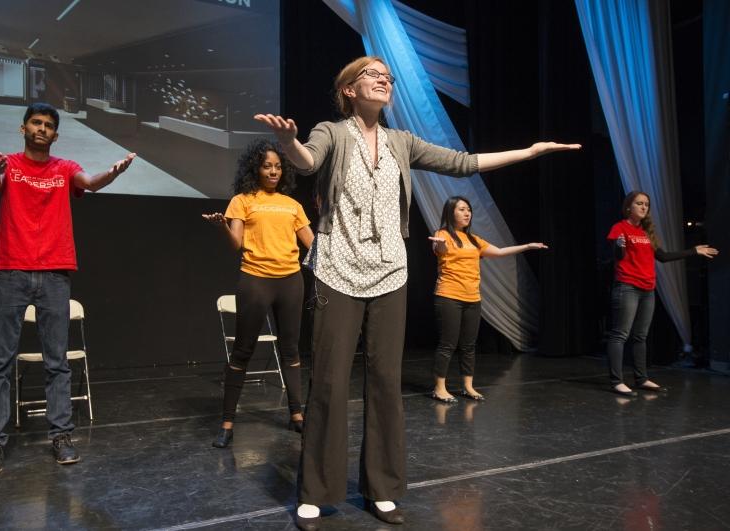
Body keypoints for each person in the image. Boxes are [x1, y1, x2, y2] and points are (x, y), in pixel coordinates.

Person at [255, 55, 580, 530]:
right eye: (373, 74)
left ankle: (382, 488)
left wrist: (528, 152)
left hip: (390, 272)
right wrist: (288, 143)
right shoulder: (331, 130)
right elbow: (308, 160)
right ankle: (316, 490)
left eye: (389, 76)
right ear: (349, 89)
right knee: (328, 382)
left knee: (386, 380)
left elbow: (464, 163)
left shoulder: (402, 142)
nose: (384, 79)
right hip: (338, 270)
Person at [0, 102, 135, 475]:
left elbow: (90, 183)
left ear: (56, 134)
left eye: (48, 125)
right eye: (36, 122)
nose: (42, 128)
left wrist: (112, 174)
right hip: (10, 271)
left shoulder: (64, 168)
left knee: (56, 362)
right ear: (24, 128)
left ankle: (61, 436)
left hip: (55, 274)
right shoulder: (10, 165)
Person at [203, 139, 314, 449]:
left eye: (278, 166)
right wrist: (223, 226)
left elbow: (312, 245)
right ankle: (227, 423)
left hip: (291, 281)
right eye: (267, 166)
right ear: (256, 168)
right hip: (255, 280)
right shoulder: (242, 200)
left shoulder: (292, 205)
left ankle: (297, 415)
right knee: (242, 351)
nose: (273, 171)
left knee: (290, 351)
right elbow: (235, 244)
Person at [429, 196, 548, 403]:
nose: (467, 213)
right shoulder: (443, 235)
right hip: (448, 295)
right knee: (448, 344)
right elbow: (440, 249)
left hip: (473, 298)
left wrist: (527, 246)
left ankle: (468, 386)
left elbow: (500, 252)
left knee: (468, 345)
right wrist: (439, 246)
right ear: (451, 213)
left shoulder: (474, 240)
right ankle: (439, 388)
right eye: (462, 209)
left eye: (469, 210)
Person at [606, 191, 718, 396]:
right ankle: (617, 381)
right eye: (639, 203)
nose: (643, 207)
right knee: (620, 334)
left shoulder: (647, 233)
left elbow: (663, 257)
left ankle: (641, 378)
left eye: (646, 204)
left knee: (641, 336)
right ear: (628, 207)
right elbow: (617, 256)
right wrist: (619, 246)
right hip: (627, 287)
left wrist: (693, 251)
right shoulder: (620, 228)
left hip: (647, 289)